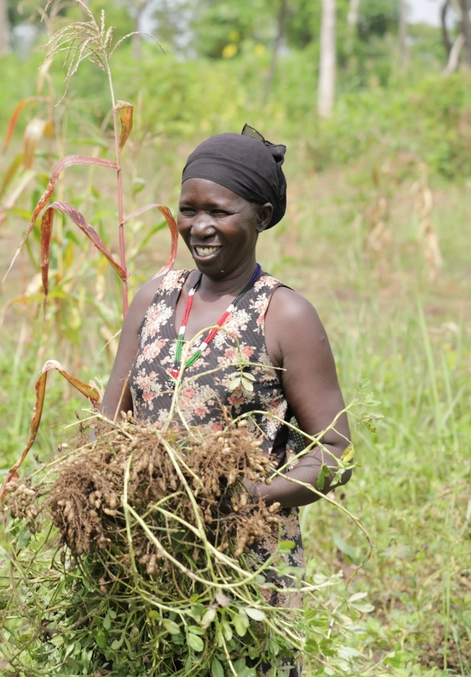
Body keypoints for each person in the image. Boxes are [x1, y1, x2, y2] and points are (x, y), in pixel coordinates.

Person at [100, 126, 351, 675]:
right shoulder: (154, 298)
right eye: (188, 210)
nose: (201, 227)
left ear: (261, 215)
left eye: (220, 211)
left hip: (245, 566)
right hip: (145, 555)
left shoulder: (285, 315)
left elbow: (334, 450)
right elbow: (110, 418)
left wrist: (247, 497)